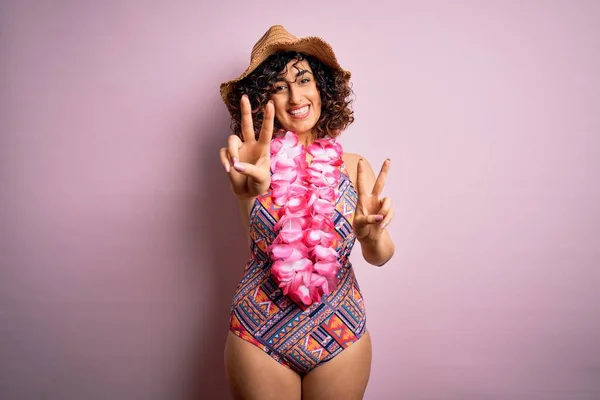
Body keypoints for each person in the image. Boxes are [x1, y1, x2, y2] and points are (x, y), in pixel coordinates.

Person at [218, 25, 395, 400]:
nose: (295, 96)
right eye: (279, 87)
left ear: (322, 89)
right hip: (260, 332)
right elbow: (252, 222)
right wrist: (248, 189)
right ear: (263, 99)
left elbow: (380, 257)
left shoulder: (353, 165)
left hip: (340, 331)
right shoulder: (253, 167)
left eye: (304, 80)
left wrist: (373, 236)